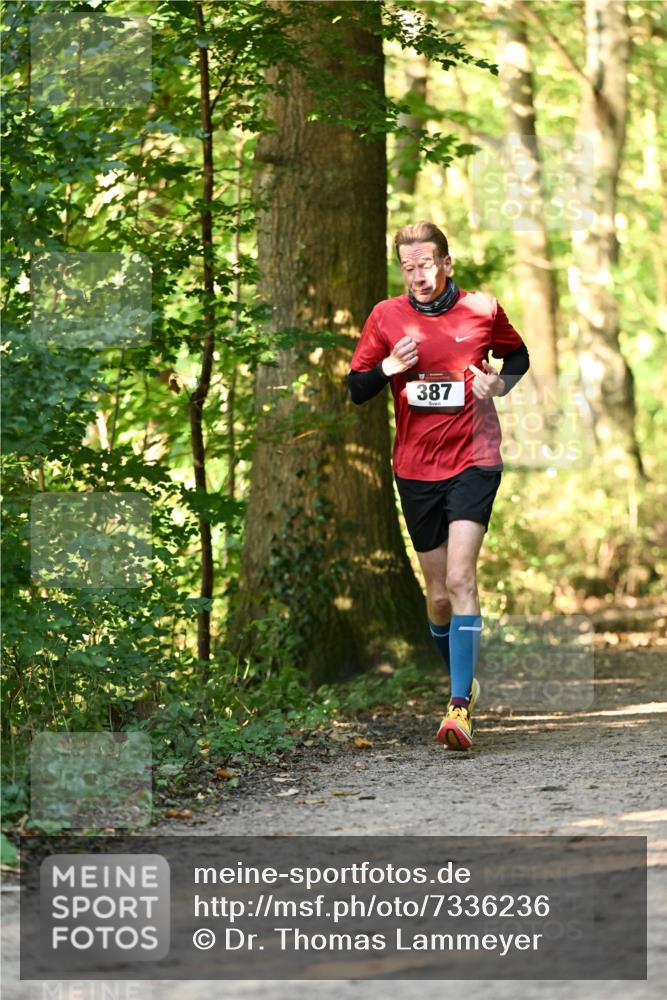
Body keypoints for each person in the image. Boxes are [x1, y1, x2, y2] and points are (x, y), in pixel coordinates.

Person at [348, 220, 529, 751]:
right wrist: (387, 366)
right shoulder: (386, 316)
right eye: (409, 267)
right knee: (437, 598)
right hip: (415, 466)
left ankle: (458, 707)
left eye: (427, 265)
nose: (419, 276)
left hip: (475, 456)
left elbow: (517, 357)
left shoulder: (483, 309)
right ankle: (461, 676)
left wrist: (500, 383)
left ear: (446, 263)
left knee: (459, 576)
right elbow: (357, 388)